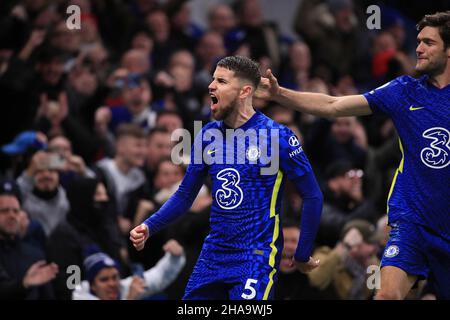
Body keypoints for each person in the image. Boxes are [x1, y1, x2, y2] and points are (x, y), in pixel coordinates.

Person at [256, 11, 450, 299]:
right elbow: (334, 105)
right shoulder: (404, 91)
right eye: (419, 41)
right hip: (412, 221)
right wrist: (280, 94)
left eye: (428, 43)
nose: (418, 48)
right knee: (385, 296)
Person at [130, 56, 323, 300]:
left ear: (244, 91)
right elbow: (185, 194)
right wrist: (150, 225)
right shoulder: (207, 135)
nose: (211, 86)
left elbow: (312, 195)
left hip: (255, 255)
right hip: (213, 254)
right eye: (212, 79)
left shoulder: (277, 136)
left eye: (221, 81)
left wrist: (302, 253)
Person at [0, 179, 58, 299]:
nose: (12, 216)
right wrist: (24, 284)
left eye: (16, 211)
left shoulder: (35, 255)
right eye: (4, 211)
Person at [72, 239, 186, 300]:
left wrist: (174, 257)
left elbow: (158, 277)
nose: (112, 284)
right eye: (104, 280)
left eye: (114, 277)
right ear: (92, 285)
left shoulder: (124, 287)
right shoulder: (81, 297)